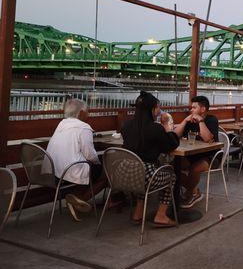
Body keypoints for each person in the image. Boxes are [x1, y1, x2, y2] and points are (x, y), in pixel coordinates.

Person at [121, 91, 178, 227]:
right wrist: (167, 126)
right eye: (158, 107)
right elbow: (171, 145)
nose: (159, 111)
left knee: (144, 172)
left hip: (123, 174)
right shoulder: (155, 128)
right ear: (152, 109)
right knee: (171, 176)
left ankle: (138, 213)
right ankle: (161, 215)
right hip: (144, 175)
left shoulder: (126, 125)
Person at [46, 99, 107, 221]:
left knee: (90, 168)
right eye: (87, 111)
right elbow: (90, 155)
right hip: (70, 172)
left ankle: (76, 197)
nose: (89, 114)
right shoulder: (83, 127)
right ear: (81, 113)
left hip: (53, 173)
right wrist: (99, 163)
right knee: (107, 174)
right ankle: (79, 201)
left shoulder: (62, 124)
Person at [173, 95, 219, 208]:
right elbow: (175, 136)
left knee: (195, 169)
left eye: (194, 107)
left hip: (209, 157)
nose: (191, 110)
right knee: (173, 167)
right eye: (191, 107)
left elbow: (208, 139)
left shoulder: (212, 120)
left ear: (202, 109)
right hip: (191, 155)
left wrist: (200, 120)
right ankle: (194, 191)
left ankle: (190, 193)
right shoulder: (190, 121)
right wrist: (184, 121)